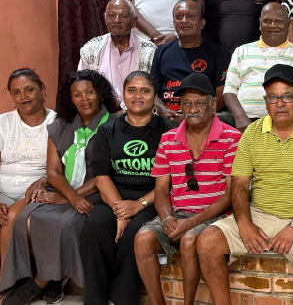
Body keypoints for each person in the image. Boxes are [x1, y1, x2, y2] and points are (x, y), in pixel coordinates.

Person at [197, 65, 293, 305]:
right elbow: (239, 185)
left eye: (287, 96)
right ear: (265, 102)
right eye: (273, 97)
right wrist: (244, 223)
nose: (280, 103)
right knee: (207, 240)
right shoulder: (253, 133)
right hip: (259, 213)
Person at [0, 70, 120, 305]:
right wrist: (69, 196)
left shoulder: (115, 124)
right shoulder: (60, 125)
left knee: (65, 223)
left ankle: (40, 282)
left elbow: (107, 174)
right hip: (67, 190)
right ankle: (39, 279)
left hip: (99, 191)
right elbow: (54, 172)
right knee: (26, 219)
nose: (84, 99)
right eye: (77, 95)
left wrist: (71, 198)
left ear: (100, 94)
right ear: (70, 99)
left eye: (89, 92)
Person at [135, 73, 240, 305]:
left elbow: (232, 194)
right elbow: (161, 190)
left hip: (216, 215)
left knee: (189, 239)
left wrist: (191, 222)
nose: (192, 109)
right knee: (142, 239)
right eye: (186, 104)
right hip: (179, 213)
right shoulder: (168, 139)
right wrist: (167, 218)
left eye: (199, 103)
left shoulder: (231, 138)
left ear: (213, 105)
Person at [79, 71, 177, 305]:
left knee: (133, 233)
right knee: (94, 226)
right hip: (114, 197)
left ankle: (124, 299)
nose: (138, 96)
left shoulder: (169, 130)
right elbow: (102, 177)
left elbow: (170, 181)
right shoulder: (107, 130)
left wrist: (137, 205)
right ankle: (95, 299)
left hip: (153, 198)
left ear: (155, 96)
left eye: (145, 91)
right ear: (123, 95)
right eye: (132, 90)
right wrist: (120, 211)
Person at [224, 3, 293, 131]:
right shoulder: (242, 51)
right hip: (246, 120)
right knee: (212, 123)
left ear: (288, 25)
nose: (272, 25)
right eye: (267, 21)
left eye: (279, 21)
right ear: (260, 24)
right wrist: (240, 117)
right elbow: (229, 91)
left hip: (285, 122)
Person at [0, 69, 56, 269]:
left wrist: (46, 180)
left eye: (29, 89)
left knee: (10, 219)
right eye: (16, 92)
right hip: (2, 191)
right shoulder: (3, 122)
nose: (23, 96)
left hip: (35, 192)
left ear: (43, 91)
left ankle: (5, 280)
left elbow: (66, 167)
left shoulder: (58, 123)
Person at [150, 0, 231, 123]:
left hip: (203, 117)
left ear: (202, 23)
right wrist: (164, 111)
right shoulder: (161, 52)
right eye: (179, 17)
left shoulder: (219, 53)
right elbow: (153, 93)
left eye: (190, 16)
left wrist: (195, 115)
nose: (184, 21)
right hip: (168, 118)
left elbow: (222, 95)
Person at [78, 0, 158, 100]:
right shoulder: (90, 49)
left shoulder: (150, 51)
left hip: (138, 108)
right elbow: (82, 86)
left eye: (123, 16)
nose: (116, 20)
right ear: (105, 18)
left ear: (134, 22)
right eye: (111, 15)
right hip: (102, 109)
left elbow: (154, 91)